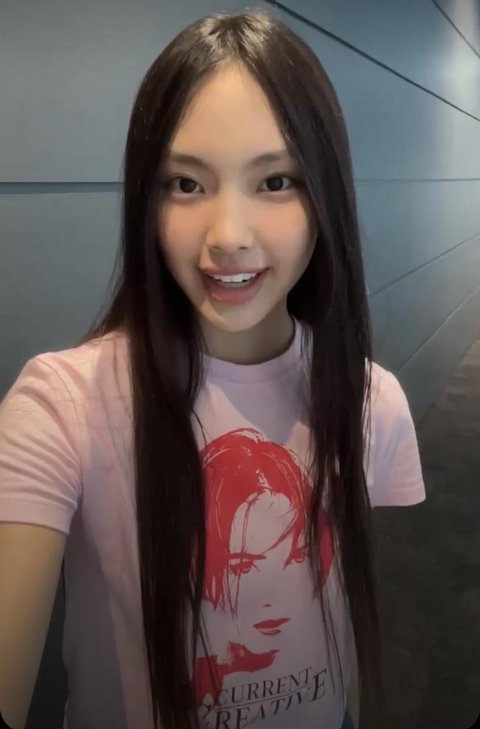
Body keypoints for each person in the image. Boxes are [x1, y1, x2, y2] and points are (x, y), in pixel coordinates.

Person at [0, 7, 426, 729]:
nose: (227, 236)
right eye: (186, 185)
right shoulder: (63, 405)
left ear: (325, 195)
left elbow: (345, 622)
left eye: (276, 181)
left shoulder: (371, 400)